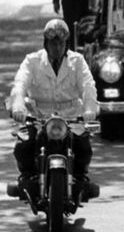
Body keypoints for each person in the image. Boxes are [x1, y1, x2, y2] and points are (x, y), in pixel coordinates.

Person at [8, 19, 99, 200]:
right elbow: (19, 85)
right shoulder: (32, 61)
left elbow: (88, 87)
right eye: (53, 42)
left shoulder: (78, 61)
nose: (57, 47)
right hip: (39, 116)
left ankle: (81, 179)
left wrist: (90, 109)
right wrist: (18, 106)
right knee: (23, 146)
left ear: (66, 44)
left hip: (71, 116)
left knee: (84, 147)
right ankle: (27, 179)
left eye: (61, 42)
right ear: (45, 43)